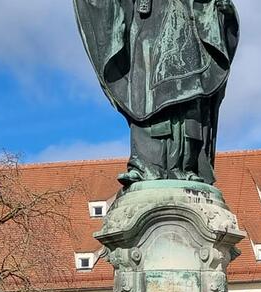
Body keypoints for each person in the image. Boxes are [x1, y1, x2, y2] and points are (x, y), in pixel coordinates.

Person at [73, 0, 238, 186]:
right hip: (146, 30)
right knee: (142, 99)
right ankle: (145, 165)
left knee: (187, 98)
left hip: (186, 30)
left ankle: (186, 167)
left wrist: (224, 10)